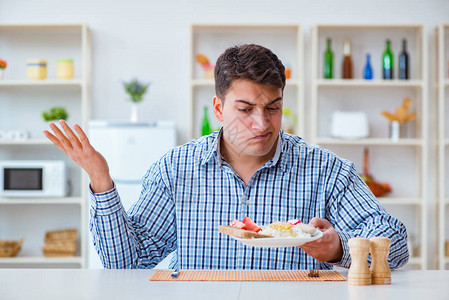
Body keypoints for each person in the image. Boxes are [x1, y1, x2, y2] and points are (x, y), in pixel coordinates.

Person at [43, 44, 409, 270]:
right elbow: (127, 263)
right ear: (218, 108)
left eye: (273, 108)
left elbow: (396, 243)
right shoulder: (176, 170)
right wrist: (101, 180)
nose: (261, 123)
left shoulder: (325, 169)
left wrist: (340, 248)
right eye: (246, 109)